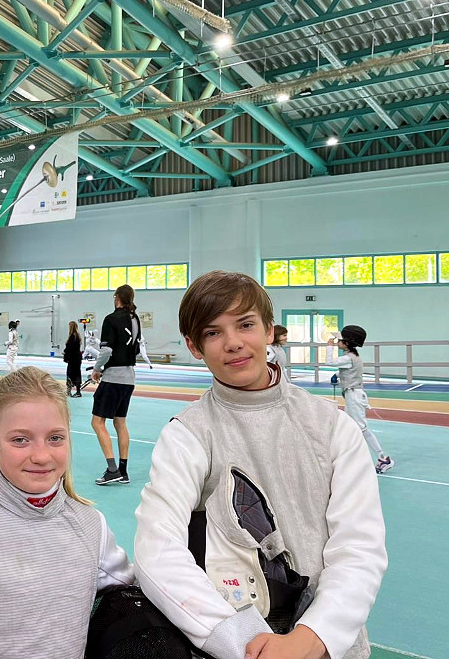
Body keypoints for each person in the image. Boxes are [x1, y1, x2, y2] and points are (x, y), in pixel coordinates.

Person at [134, 271, 387, 659]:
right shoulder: (188, 435)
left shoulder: (332, 428)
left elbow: (359, 548)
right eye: (213, 332)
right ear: (194, 346)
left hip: (328, 646)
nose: (233, 342)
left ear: (269, 330)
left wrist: (312, 637)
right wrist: (242, 639)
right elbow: (157, 549)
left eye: (246, 324)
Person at [0, 366, 133, 657]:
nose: (41, 456)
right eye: (20, 440)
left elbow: (135, 590)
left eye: (55, 438)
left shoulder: (91, 526)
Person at [91, 285, 141, 486]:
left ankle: (112, 470)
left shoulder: (111, 319)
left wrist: (97, 368)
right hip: (129, 378)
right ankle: (123, 471)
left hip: (113, 378)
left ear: (117, 297)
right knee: (120, 423)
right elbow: (136, 349)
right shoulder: (135, 319)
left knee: (97, 422)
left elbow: (106, 350)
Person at [328, 326, 393, 474]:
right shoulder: (352, 357)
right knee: (350, 426)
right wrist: (337, 375)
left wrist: (329, 347)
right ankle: (349, 458)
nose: (337, 342)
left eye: (339, 340)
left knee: (361, 428)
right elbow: (349, 369)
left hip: (354, 396)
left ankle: (383, 458)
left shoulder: (348, 358)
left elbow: (329, 362)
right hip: (353, 394)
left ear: (346, 343)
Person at [63, 320, 83, 397]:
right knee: (77, 373)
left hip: (73, 358)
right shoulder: (77, 336)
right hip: (77, 358)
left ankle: (69, 391)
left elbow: (70, 348)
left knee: (70, 373)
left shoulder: (72, 337)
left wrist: (65, 354)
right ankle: (78, 391)